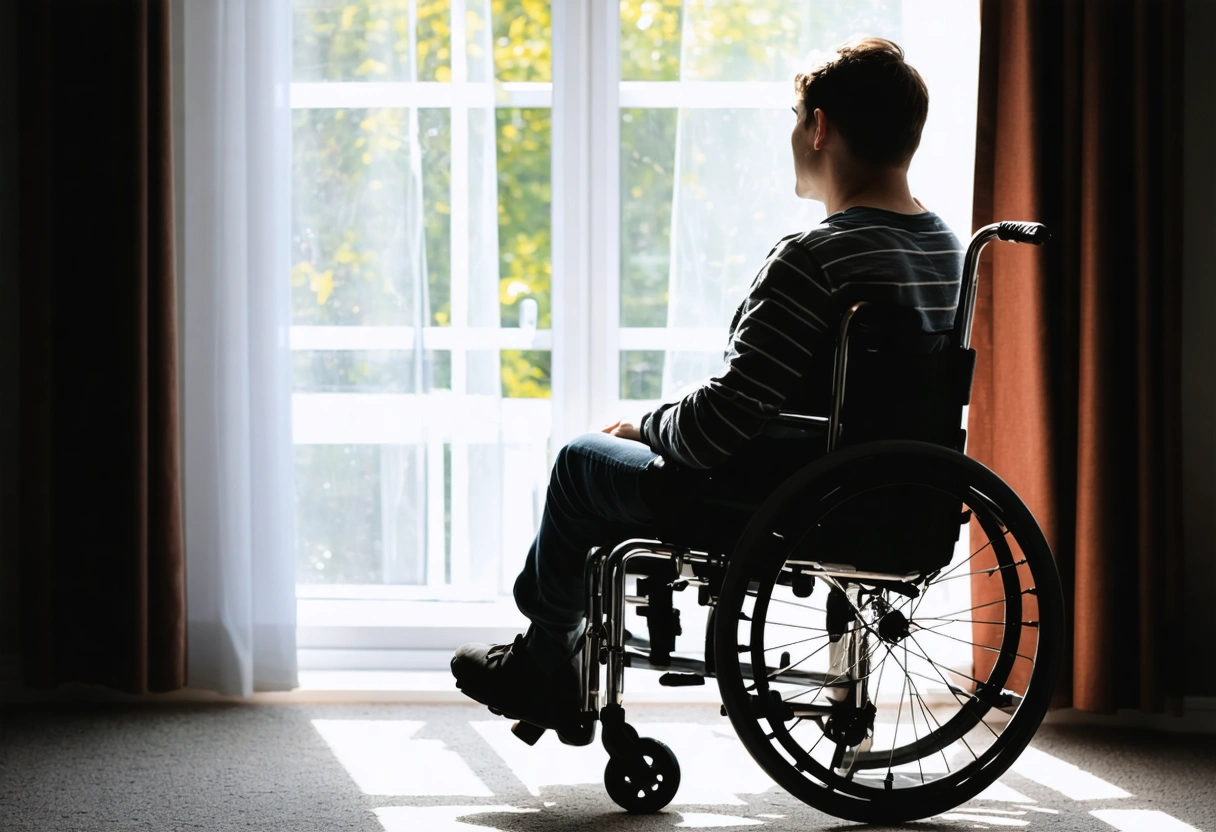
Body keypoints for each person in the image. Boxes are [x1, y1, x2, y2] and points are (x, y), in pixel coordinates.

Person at [451, 37, 963, 742]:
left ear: (819, 128)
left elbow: (718, 426)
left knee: (581, 461)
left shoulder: (813, 259)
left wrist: (646, 426)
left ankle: (544, 663)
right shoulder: (946, 249)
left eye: (796, 117)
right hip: (889, 491)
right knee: (612, 460)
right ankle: (550, 650)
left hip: (776, 494)